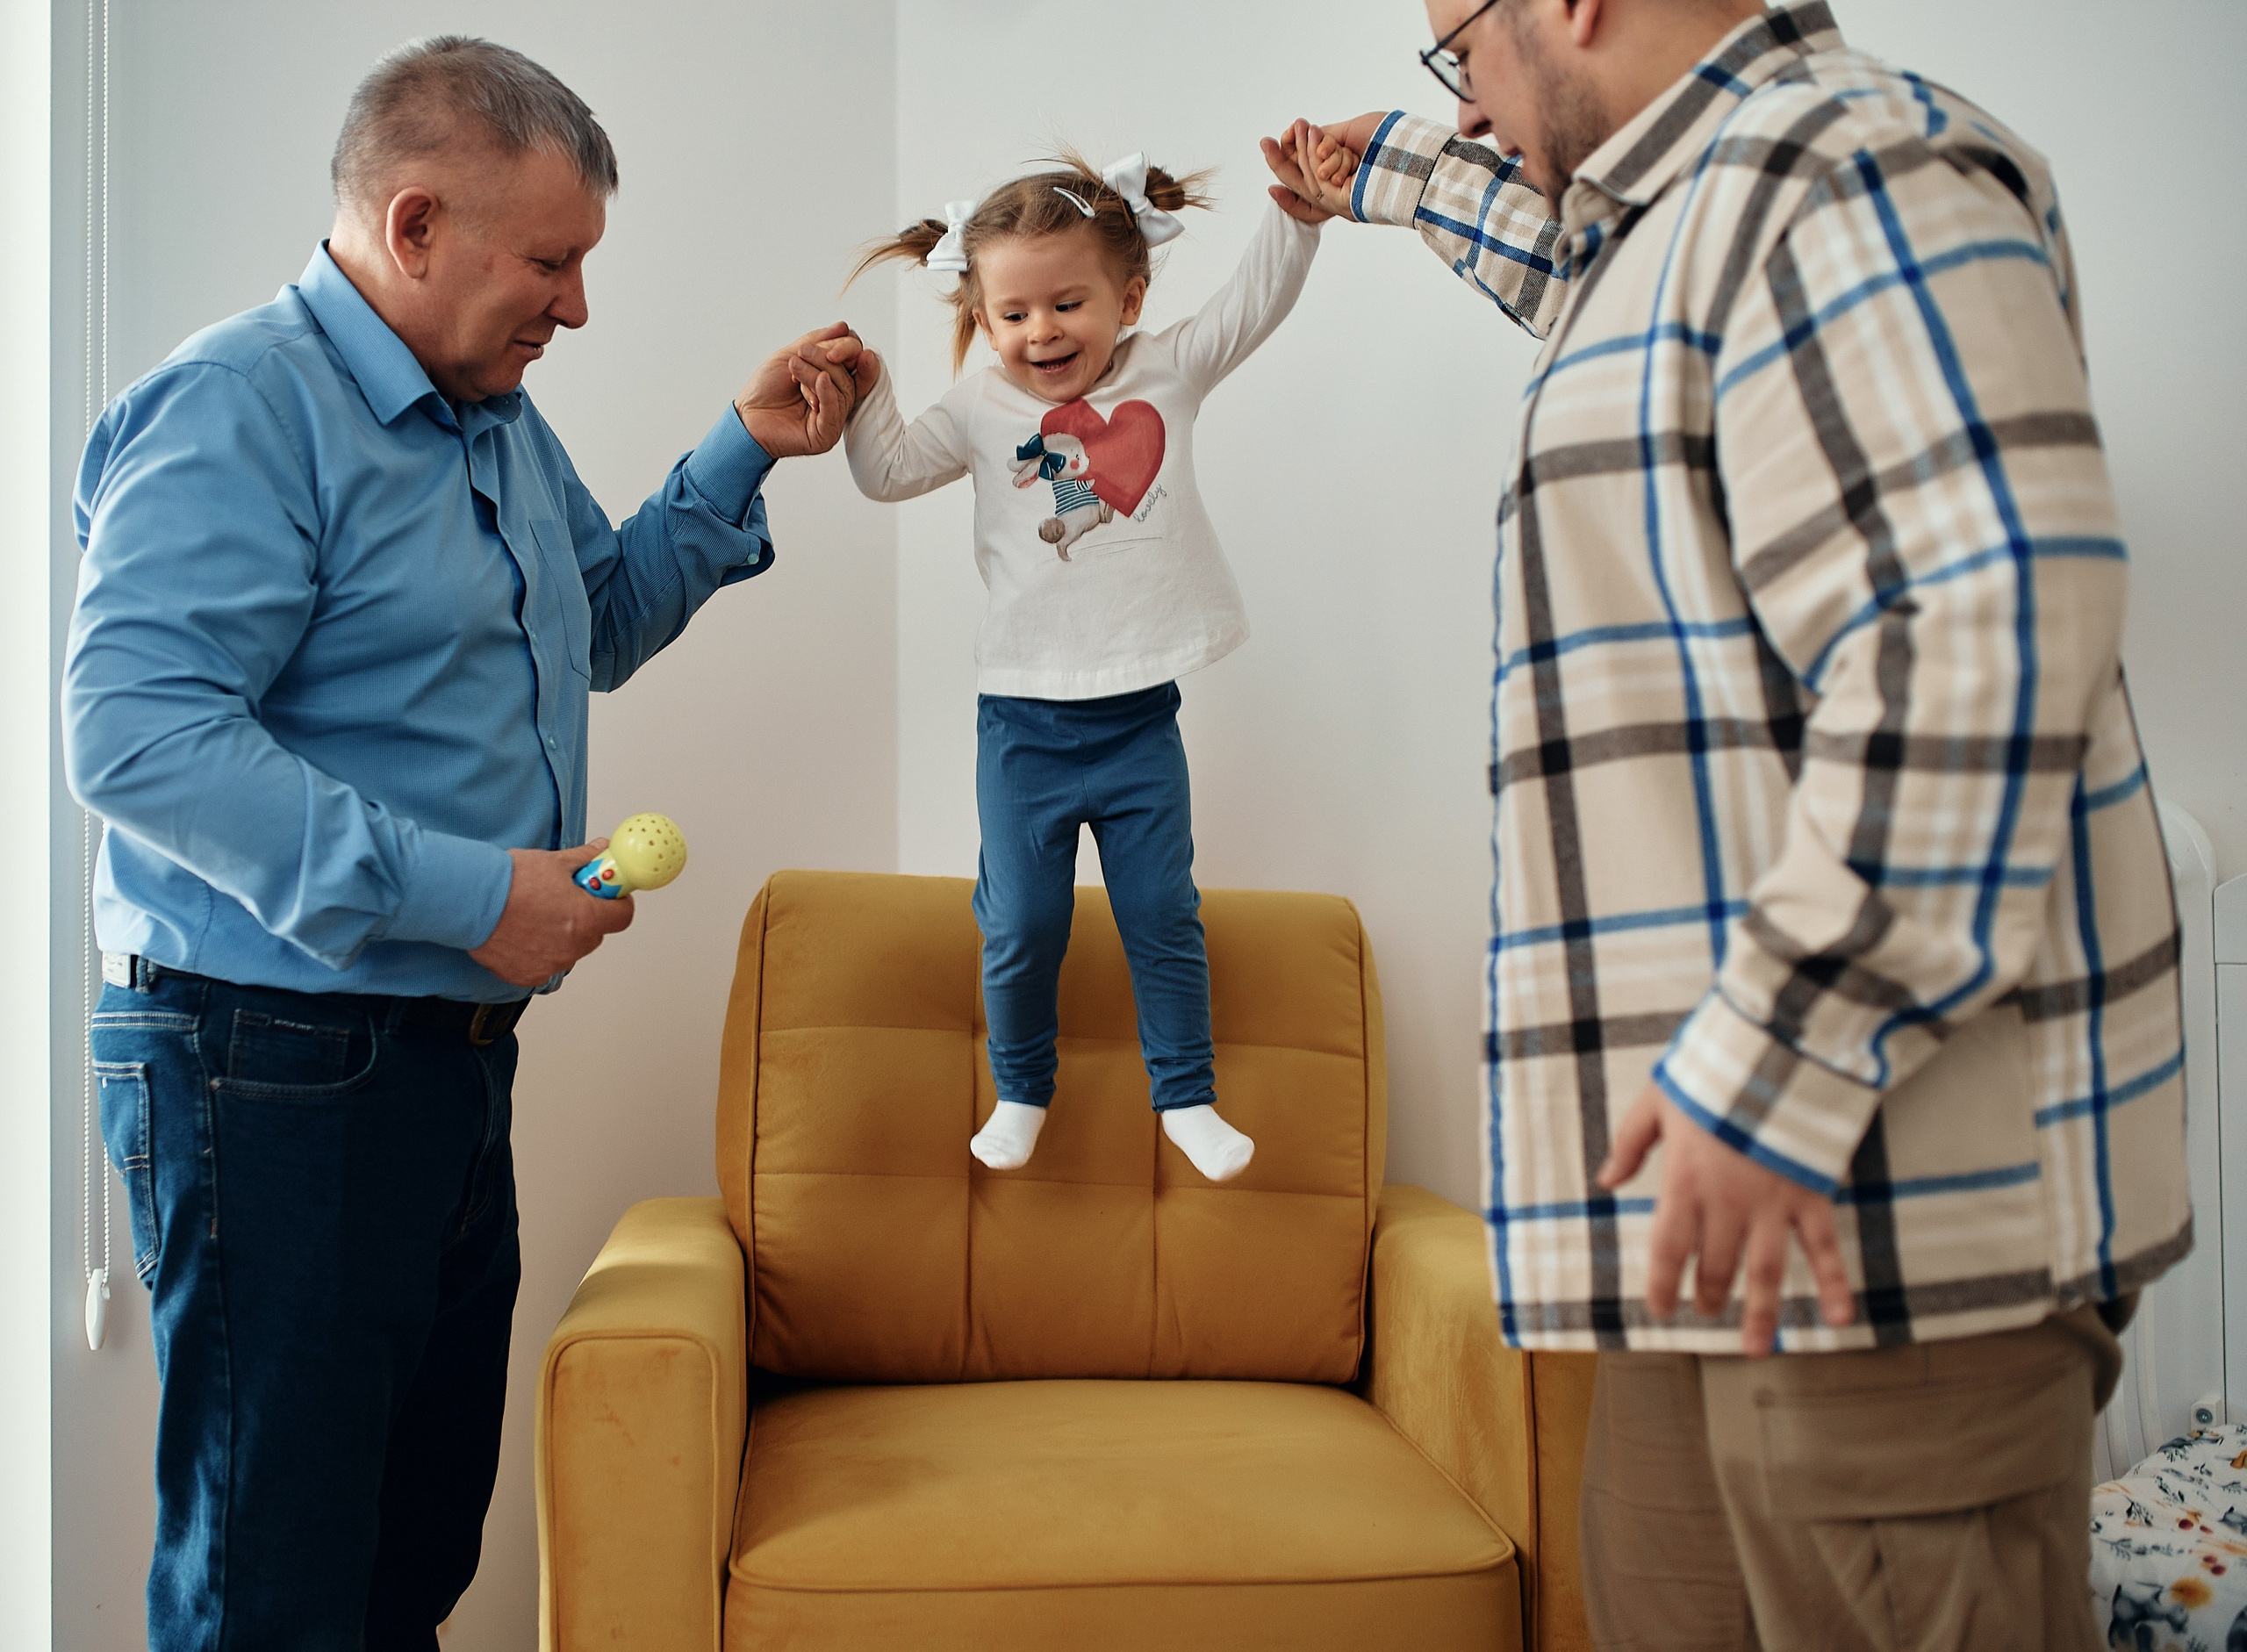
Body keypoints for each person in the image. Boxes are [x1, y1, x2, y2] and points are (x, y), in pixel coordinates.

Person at [1263, 2, 2186, 1647]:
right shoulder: (1685, 226)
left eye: (1454, 48)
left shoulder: (1848, 169)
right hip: (1717, 1238)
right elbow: (1578, 267)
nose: (1460, 99)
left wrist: (1768, 1081)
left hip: (1880, 1229)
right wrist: (1380, 175)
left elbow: (1981, 625)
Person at [63, 35, 861, 1649]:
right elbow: (137, 735)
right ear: (415, 224)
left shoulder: (489, 418)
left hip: (437, 1055)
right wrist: (468, 894)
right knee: (273, 1590)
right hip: (264, 1057)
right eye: (552, 262)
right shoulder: (242, 407)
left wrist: (742, 447)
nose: (574, 306)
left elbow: (603, 618)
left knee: (410, 1552)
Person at [843, 149, 1321, 1183]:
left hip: (1141, 718)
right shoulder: (977, 411)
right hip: (1022, 727)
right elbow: (883, 473)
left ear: (1129, 295)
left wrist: (1298, 216)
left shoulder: (1167, 370)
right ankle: (1021, 1087)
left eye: (1068, 303)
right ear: (982, 317)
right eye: (1013, 314)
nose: (1041, 331)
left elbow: (1253, 305)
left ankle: (1186, 1096)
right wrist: (865, 393)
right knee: (1022, 920)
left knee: (1161, 912)